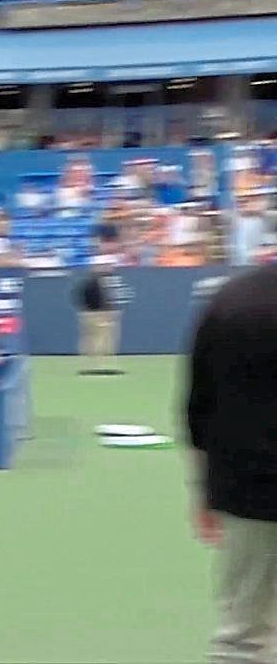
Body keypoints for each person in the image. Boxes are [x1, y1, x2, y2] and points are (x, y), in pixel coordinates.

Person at [185, 263, 277, 664]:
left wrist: (203, 490)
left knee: (241, 638)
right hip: (248, 488)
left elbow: (197, 409)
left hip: (245, 489)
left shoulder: (230, 299)